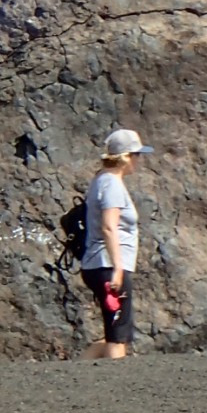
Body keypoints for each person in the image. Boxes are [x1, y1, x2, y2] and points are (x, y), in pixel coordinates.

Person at [79, 127, 151, 359]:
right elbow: (109, 226)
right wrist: (118, 269)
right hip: (108, 266)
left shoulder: (101, 179)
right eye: (137, 155)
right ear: (126, 157)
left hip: (98, 264)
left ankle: (75, 372)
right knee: (118, 338)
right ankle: (116, 389)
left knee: (115, 331)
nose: (139, 161)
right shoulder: (112, 184)